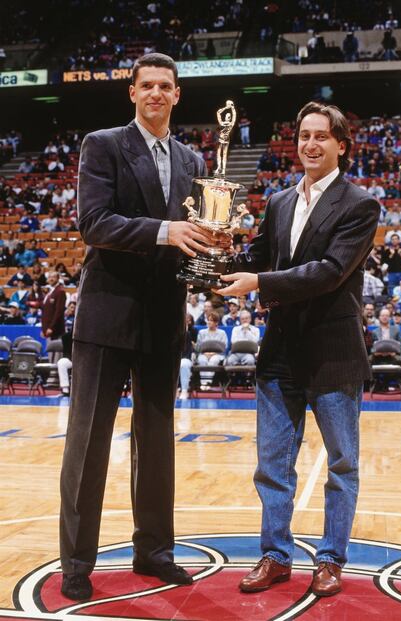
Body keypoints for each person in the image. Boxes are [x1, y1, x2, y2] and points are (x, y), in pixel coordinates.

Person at [59, 53, 219, 602]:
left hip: (162, 316)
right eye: (146, 85)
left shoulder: (193, 156)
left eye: (165, 86)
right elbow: (94, 223)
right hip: (108, 315)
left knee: (157, 445)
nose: (155, 93)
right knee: (88, 445)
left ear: (178, 96)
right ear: (132, 93)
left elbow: (191, 235)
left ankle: (154, 551)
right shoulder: (102, 145)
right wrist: (166, 231)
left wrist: (210, 250)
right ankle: (77, 562)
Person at [216, 101, 380, 597]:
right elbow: (259, 256)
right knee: (272, 465)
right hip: (281, 354)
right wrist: (219, 254)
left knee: (342, 465)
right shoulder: (281, 201)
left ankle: (330, 559)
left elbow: (329, 272)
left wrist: (256, 281)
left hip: (333, 355)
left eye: (321, 137)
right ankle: (275, 555)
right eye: (304, 136)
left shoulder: (360, 204)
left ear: (341, 146)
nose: (310, 144)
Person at [41, 271, 66, 357]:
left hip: (56, 329)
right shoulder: (50, 292)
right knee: (50, 355)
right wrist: (43, 329)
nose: (51, 279)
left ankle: (57, 370)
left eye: (53, 277)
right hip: (48, 330)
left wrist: (51, 327)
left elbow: (59, 311)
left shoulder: (60, 291)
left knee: (56, 356)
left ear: (58, 278)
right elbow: (45, 312)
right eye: (49, 277)